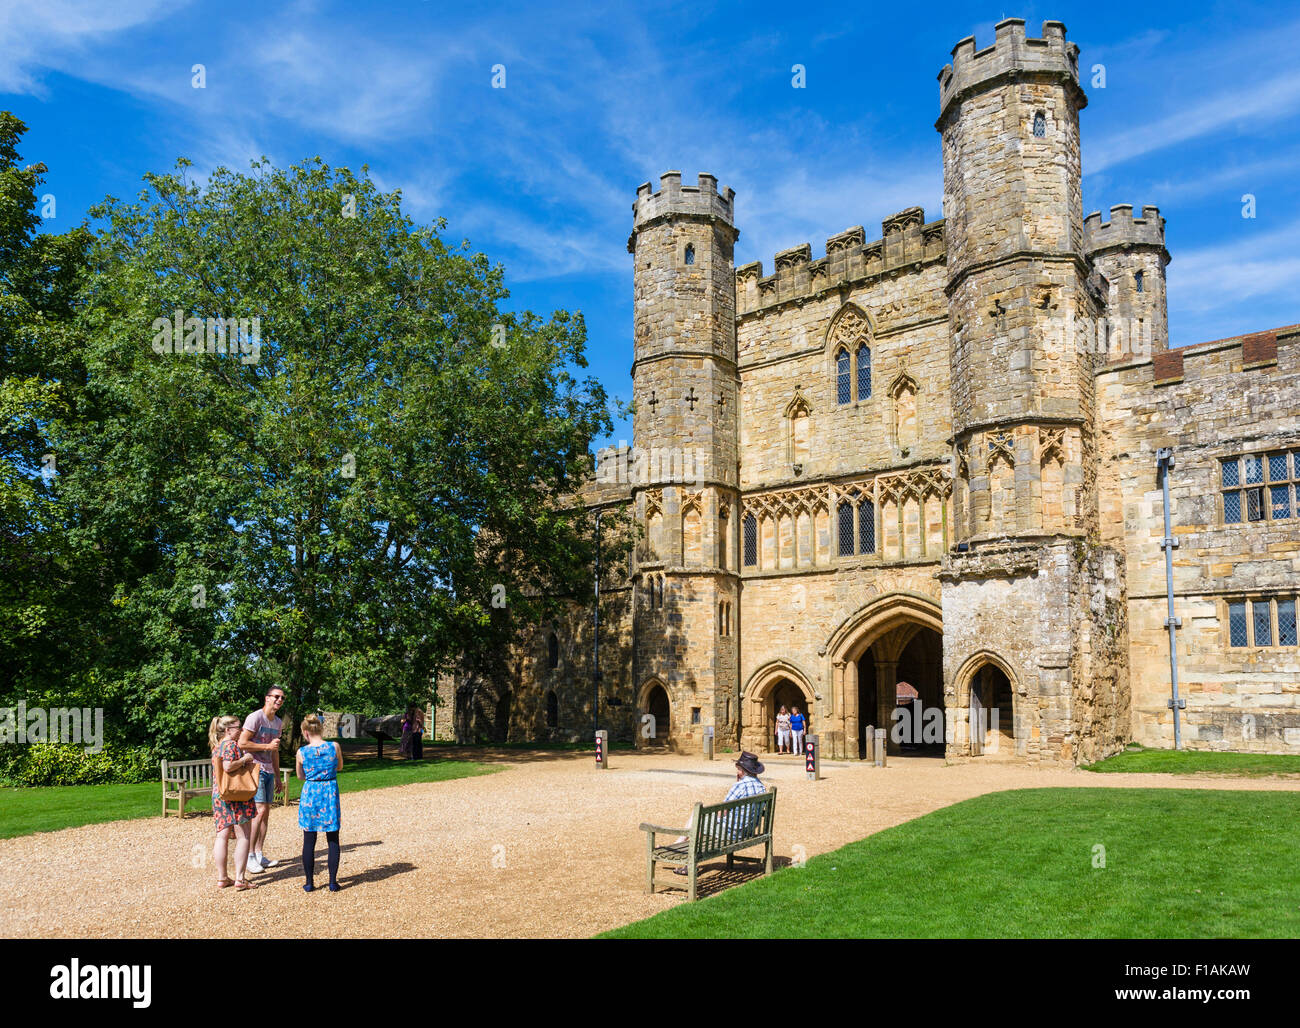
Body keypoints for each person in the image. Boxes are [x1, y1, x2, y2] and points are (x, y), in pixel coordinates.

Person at [672, 751, 767, 873]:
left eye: (738, 769)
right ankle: (678, 844)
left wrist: (737, 784)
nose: (737, 771)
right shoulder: (761, 787)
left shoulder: (740, 786)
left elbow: (723, 811)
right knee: (701, 817)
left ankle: (686, 861)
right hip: (747, 831)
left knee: (698, 819)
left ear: (742, 770)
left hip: (732, 833)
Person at [239, 686, 286, 876]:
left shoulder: (278, 722)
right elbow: (242, 743)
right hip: (254, 769)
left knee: (266, 814)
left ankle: (259, 854)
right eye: (276, 696)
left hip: (268, 771)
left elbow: (274, 751)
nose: (279, 700)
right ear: (267, 698)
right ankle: (249, 856)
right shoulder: (255, 717)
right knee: (260, 811)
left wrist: (278, 775)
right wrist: (266, 745)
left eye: (282, 698)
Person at [209, 715, 259, 891]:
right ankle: (240, 878)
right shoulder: (230, 745)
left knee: (221, 836)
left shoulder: (217, 746)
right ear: (229, 730)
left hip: (220, 795)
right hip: (236, 795)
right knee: (244, 836)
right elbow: (228, 766)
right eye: (239, 727)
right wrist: (245, 760)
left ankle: (222, 878)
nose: (242, 730)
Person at [296, 714, 342, 892]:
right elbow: (339, 767)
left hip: (311, 794)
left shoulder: (301, 752)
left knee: (309, 839)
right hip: (329, 792)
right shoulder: (334, 746)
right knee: (333, 838)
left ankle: (309, 882)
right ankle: (332, 882)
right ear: (321, 729)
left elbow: (300, 776)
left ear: (305, 732)